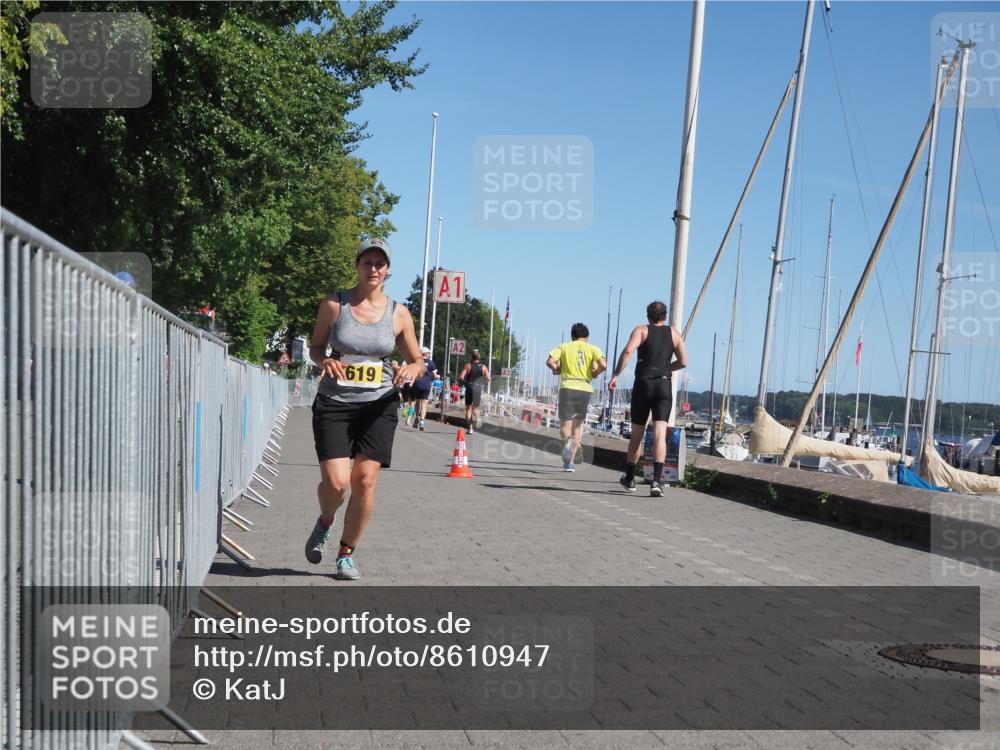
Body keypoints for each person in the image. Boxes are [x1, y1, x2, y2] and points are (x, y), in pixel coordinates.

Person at [306, 237, 424, 580]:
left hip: (379, 404)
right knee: (337, 483)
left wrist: (412, 369)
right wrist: (324, 360)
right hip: (335, 402)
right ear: (357, 266)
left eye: (380, 264)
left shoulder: (398, 313)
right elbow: (315, 347)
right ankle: (326, 520)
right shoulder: (334, 304)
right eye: (367, 262)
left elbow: (416, 360)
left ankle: (346, 554)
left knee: (366, 481)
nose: (373, 269)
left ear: (387, 270)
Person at [608, 300, 688, 496]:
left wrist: (616, 374)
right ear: (665, 316)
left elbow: (628, 351)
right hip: (663, 384)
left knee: (637, 433)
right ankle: (657, 482)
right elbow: (684, 361)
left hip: (643, 383)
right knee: (660, 432)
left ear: (648, 315)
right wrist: (668, 368)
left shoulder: (641, 330)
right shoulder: (674, 333)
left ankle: (630, 478)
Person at [546, 323, 607, 472]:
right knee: (578, 426)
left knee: (564, 427)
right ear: (587, 337)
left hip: (567, 387)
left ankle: (567, 442)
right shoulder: (593, 348)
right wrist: (595, 373)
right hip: (584, 388)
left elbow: (549, 362)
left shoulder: (564, 347)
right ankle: (570, 463)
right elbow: (603, 365)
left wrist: (557, 369)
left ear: (572, 336)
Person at [459, 350, 490, 433]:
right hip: (477, 388)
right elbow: (488, 379)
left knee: (468, 408)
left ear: (471, 357)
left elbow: (461, 377)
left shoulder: (468, 366)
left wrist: (466, 381)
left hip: (469, 387)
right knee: (476, 408)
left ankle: (470, 428)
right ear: (479, 357)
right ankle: (478, 417)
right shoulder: (483, 367)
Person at [412, 346, 439, 430]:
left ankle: (416, 417)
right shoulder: (431, 363)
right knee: (424, 405)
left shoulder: (417, 362)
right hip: (426, 385)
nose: (429, 354)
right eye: (428, 353)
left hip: (417, 384)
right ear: (426, 354)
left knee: (417, 403)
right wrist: (436, 376)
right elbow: (435, 375)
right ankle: (422, 422)